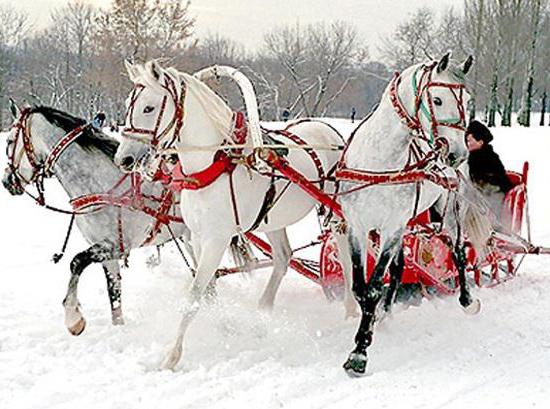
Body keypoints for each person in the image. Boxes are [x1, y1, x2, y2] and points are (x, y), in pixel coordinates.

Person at [466, 120, 512, 219]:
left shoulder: (490, 157)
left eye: (470, 141)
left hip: (494, 190)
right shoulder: (469, 157)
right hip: (476, 191)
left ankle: (494, 224)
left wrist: (480, 184)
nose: (468, 144)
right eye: (467, 141)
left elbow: (496, 178)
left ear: (480, 142)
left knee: (490, 200)